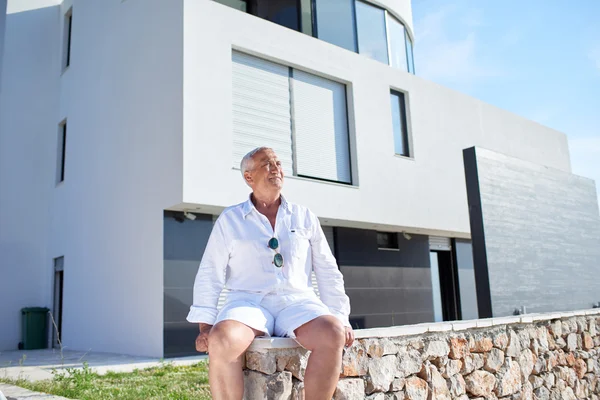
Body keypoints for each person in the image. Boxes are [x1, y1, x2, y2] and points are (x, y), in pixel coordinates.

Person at [187, 147, 354, 400]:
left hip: (298, 302)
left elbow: (328, 270)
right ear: (249, 177)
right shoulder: (230, 219)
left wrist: (341, 316)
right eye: (266, 163)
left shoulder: (304, 216)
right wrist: (205, 326)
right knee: (221, 339)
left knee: (333, 331)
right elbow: (210, 271)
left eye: (278, 162)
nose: (275, 167)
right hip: (247, 303)